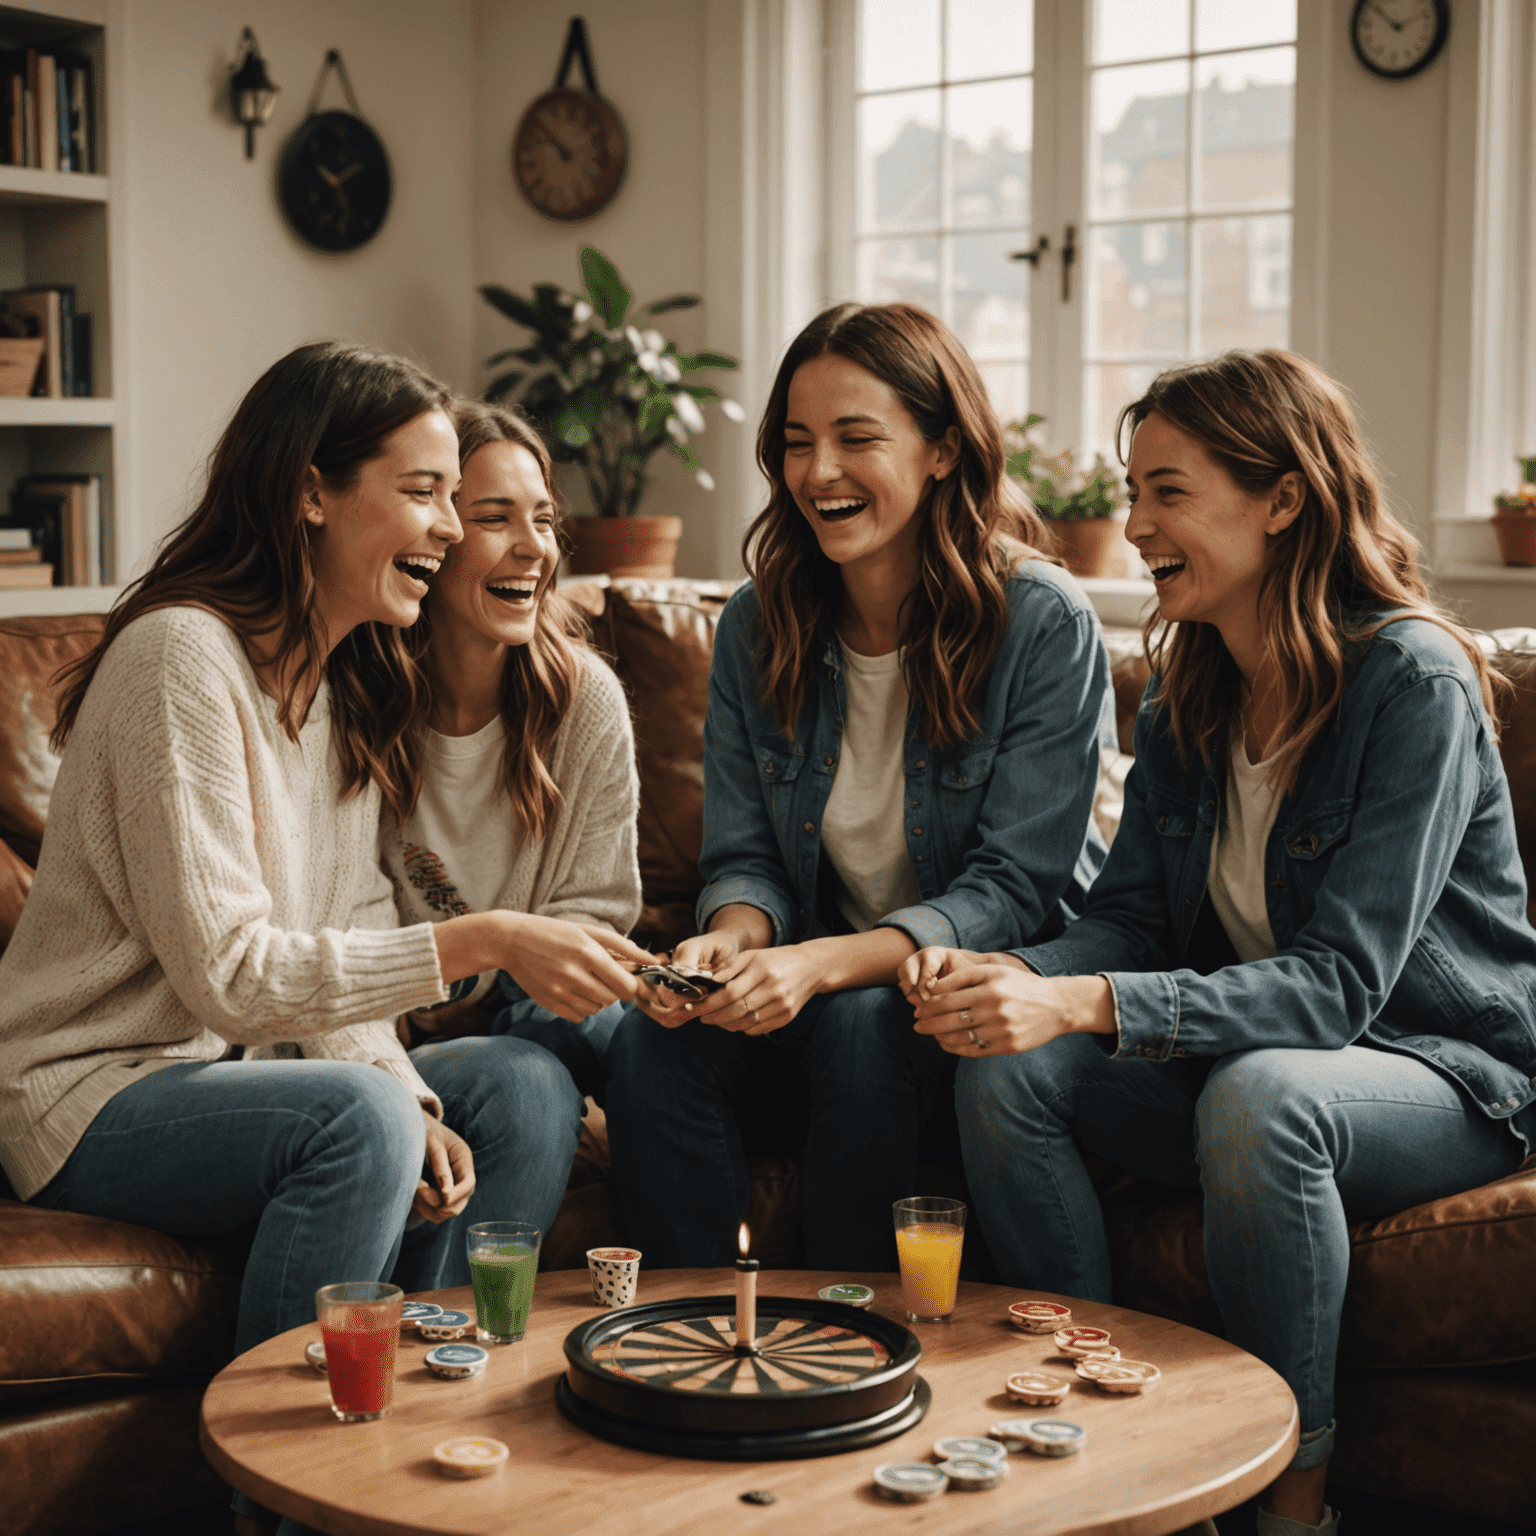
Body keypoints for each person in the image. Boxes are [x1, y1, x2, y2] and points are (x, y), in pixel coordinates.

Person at [905, 349, 1536, 1534]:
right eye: (1131, 492)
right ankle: (1092, 1431)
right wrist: (1013, 977)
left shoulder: (1414, 682)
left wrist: (1087, 1002)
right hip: (1249, 1050)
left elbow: (1341, 990)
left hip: (1449, 1071)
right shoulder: (1190, 677)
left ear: (1283, 499)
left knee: (1263, 1100)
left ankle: (1291, 1502)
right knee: (1005, 1063)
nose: (1134, 524)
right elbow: (1134, 914)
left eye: (1167, 491)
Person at [0, 342, 652, 1373]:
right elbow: (232, 974)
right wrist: (475, 945)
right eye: (424, 492)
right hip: (90, 1094)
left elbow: (344, 935)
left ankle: (440, 1398)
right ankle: (288, 1501)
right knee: (359, 1120)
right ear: (313, 491)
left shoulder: (336, 689)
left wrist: (410, 1088)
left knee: (516, 1088)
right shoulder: (182, 659)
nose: (447, 524)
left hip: (243, 1073)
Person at [605, 302, 1117, 1271]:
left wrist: (815, 966)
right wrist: (731, 942)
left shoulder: (1042, 622)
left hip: (965, 1003)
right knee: (651, 1047)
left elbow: (1017, 889)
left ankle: (846, 1353)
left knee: (858, 1024)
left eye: (856, 438)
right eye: (797, 443)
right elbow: (746, 858)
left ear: (941, 450)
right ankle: (695, 1344)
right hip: (815, 992)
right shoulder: (757, 626)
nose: (818, 472)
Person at [385, 400, 642, 1099]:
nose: (535, 548)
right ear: (430, 535)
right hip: (384, 1024)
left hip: (536, 1012)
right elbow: (335, 923)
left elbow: (593, 910)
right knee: (526, 1082)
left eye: (544, 519)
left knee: (626, 1038)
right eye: (495, 519)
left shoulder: (584, 699)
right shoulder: (355, 704)